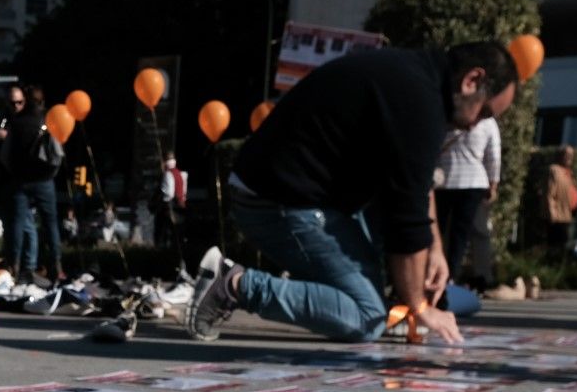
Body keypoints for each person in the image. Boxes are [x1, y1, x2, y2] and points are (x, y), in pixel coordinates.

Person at [188, 41, 517, 347]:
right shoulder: (421, 102)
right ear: (473, 80)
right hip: (276, 203)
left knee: (379, 288)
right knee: (366, 317)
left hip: (292, 194)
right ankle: (233, 285)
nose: (476, 126)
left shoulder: (419, 79)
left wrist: (434, 249)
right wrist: (418, 306)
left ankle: (384, 301)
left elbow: (415, 185)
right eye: (484, 113)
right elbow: (406, 219)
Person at [0, 83, 62, 285]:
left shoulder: (16, 122)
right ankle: (56, 266)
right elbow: (57, 153)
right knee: (50, 224)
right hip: (44, 180)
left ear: (25, 101)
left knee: (17, 224)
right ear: (41, 101)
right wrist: (51, 173)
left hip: (21, 180)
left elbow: (5, 155)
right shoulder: (48, 120)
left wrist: (15, 171)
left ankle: (14, 267)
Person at [434, 117, 499, 295]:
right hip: (474, 182)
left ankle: (439, 275)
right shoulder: (488, 122)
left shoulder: (446, 116)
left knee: (440, 232)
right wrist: (493, 183)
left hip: (443, 181)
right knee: (463, 234)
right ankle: (461, 277)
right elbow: (493, 156)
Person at [543, 146, 577, 251]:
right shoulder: (554, 170)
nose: (570, 158)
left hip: (566, 215)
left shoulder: (568, 172)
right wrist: (551, 212)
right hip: (557, 216)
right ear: (560, 156)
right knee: (555, 245)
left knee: (564, 244)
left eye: (571, 155)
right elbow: (549, 193)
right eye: (567, 155)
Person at [155, 152, 187, 253]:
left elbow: (168, 194)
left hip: (170, 209)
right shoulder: (181, 174)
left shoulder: (167, 174)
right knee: (177, 236)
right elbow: (183, 192)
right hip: (181, 207)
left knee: (164, 235)